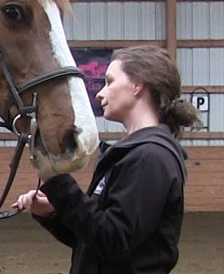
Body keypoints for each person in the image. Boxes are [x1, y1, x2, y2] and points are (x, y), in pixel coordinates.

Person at [12, 46, 199, 274]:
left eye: (109, 81)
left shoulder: (150, 158)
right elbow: (94, 244)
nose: (100, 93)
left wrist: (58, 183)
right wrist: (53, 213)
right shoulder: (134, 153)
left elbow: (113, 241)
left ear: (137, 85)